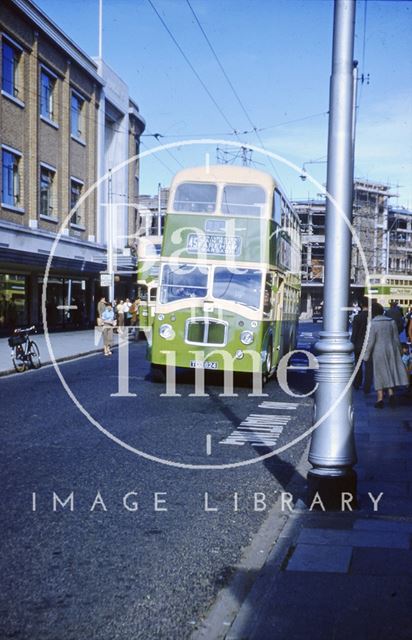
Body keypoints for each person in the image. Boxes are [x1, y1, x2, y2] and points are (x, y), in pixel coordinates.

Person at [363, 302, 409, 408]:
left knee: (380, 374)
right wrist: (400, 351)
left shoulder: (373, 323)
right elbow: (396, 338)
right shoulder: (391, 322)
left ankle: (380, 399)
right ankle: (391, 394)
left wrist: (366, 355)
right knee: (390, 372)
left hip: (378, 351)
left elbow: (370, 341)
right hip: (391, 350)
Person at [350, 296, 373, 393]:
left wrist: (352, 344)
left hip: (358, 345)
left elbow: (354, 334)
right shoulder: (373, 317)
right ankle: (367, 386)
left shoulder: (357, 318)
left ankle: (357, 383)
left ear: (361, 305)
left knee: (358, 366)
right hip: (369, 345)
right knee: (369, 367)